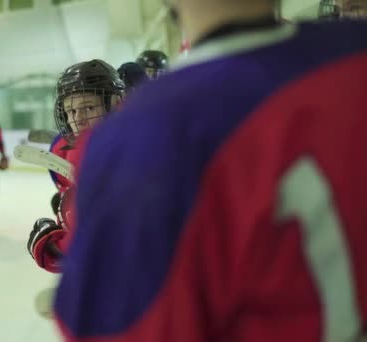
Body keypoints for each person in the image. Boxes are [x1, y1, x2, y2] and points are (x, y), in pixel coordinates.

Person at [55, 0, 367, 340]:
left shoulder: (145, 136)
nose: (79, 118)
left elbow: (113, 327)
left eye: (86, 106)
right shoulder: (353, 54)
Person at [27, 59, 125, 273]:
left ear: (115, 103)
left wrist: (52, 249)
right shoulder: (67, 150)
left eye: (88, 108)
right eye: (70, 112)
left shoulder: (131, 152)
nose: (78, 119)